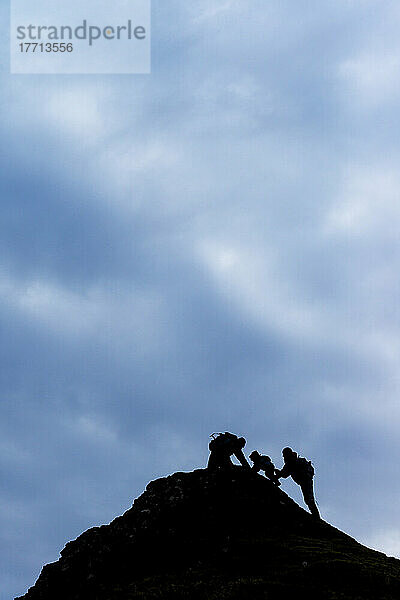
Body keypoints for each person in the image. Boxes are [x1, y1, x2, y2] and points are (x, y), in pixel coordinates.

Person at [275, 447, 320, 518]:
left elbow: (284, 474)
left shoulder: (291, 462)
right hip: (305, 480)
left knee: (309, 499)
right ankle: (316, 516)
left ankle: (316, 516)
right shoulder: (293, 461)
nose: (283, 457)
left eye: (284, 455)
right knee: (308, 499)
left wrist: (277, 474)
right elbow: (284, 474)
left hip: (305, 480)